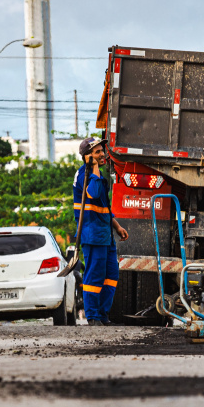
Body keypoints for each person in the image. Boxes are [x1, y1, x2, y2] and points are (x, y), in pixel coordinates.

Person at [74, 137, 129, 325]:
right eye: (97, 152)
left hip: (105, 235)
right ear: (87, 156)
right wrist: (94, 167)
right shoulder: (84, 175)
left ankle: (103, 314)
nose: (102, 154)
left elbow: (104, 207)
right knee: (94, 276)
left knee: (111, 275)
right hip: (92, 234)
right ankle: (93, 316)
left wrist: (117, 226)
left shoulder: (99, 177)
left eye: (101, 151)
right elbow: (94, 193)